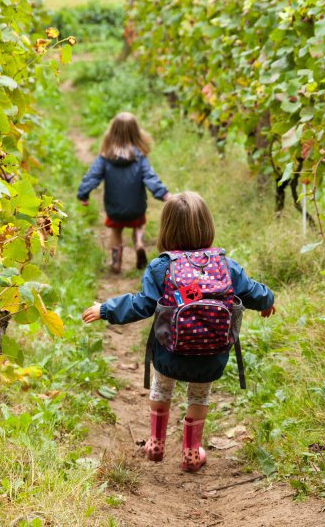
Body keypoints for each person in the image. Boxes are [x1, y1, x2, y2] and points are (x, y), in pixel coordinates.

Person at [82, 192, 276, 473]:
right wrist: (268, 301)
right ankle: (191, 452)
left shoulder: (162, 267)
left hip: (169, 352)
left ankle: (156, 443)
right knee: (199, 397)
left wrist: (107, 309)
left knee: (162, 388)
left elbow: (143, 304)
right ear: (208, 226)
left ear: (166, 229)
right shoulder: (225, 265)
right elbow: (251, 290)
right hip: (211, 354)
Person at [77, 112, 170, 274]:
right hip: (136, 206)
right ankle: (139, 243)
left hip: (115, 208)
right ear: (136, 133)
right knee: (139, 224)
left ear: (112, 132)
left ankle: (116, 260)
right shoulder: (140, 157)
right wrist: (164, 195)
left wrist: (84, 194)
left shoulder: (105, 157)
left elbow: (93, 175)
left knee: (116, 231)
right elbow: (150, 177)